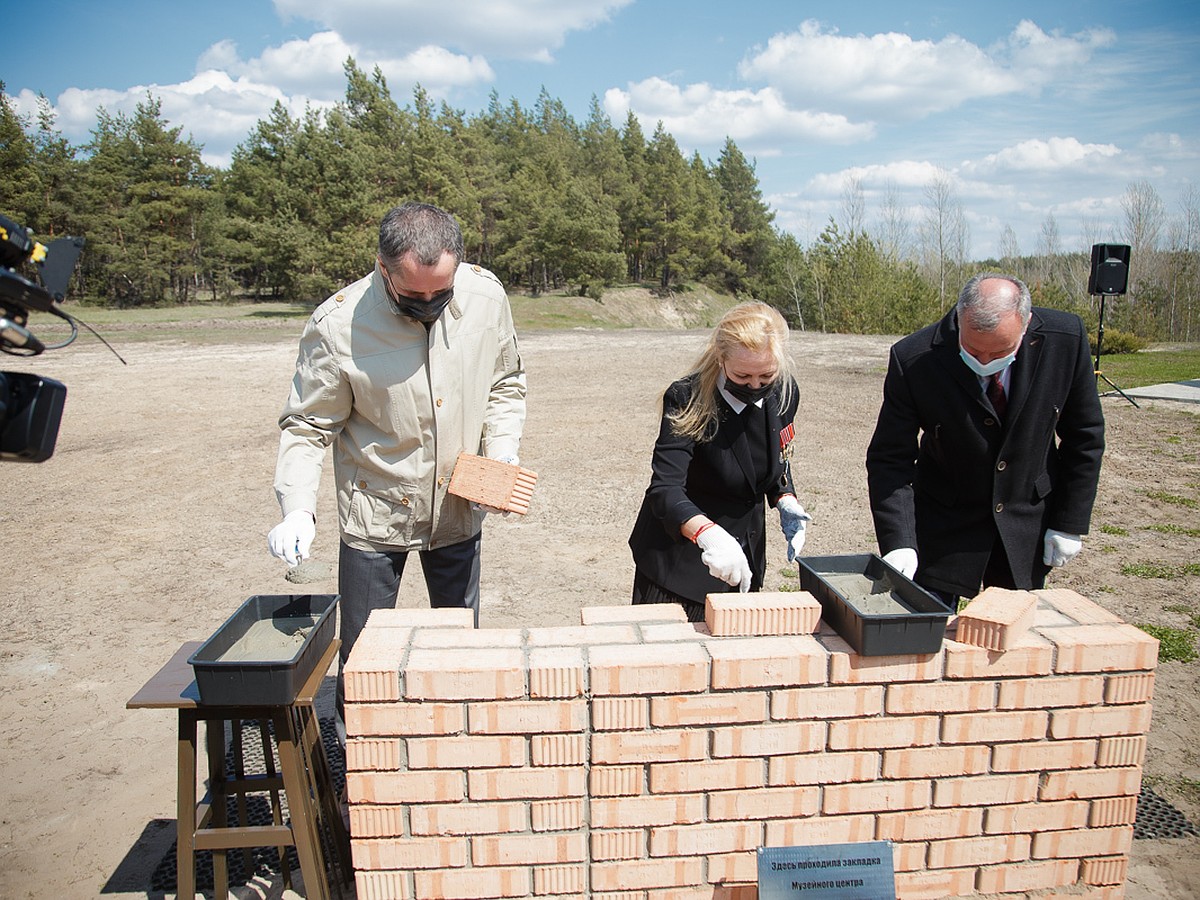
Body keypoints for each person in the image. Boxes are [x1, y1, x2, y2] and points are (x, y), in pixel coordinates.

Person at [267, 201, 527, 736]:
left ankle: (457, 747)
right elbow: (308, 426)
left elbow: (505, 382)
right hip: (376, 512)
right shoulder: (338, 325)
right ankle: (360, 767)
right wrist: (297, 509)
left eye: (442, 293)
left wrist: (501, 451)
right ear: (382, 267)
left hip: (459, 506)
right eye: (413, 295)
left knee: (461, 652)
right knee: (364, 662)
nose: (430, 305)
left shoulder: (487, 296)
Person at [866, 272, 1105, 604]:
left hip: (1024, 522)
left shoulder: (1065, 340)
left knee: (1009, 636)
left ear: (1026, 325)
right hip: (944, 524)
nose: (984, 362)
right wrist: (899, 541)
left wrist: (1069, 521)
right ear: (960, 318)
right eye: (973, 350)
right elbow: (890, 459)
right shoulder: (914, 359)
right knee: (928, 635)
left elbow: (1085, 436)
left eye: (1000, 352)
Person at [628, 301, 812, 622]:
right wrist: (708, 534)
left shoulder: (783, 392)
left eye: (765, 375)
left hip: (745, 559)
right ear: (720, 357)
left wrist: (785, 497)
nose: (755, 386)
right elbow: (665, 490)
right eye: (742, 376)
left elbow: (775, 455)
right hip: (680, 568)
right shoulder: (687, 397)